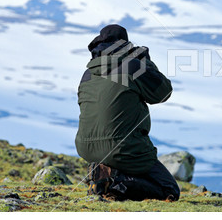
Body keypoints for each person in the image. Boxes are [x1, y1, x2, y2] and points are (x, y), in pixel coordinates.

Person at [75, 24, 180, 201]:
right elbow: (163, 93)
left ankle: (105, 174)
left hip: (87, 148)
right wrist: (145, 63)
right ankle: (114, 182)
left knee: (126, 160)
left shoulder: (87, 74)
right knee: (168, 189)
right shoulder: (131, 67)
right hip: (124, 149)